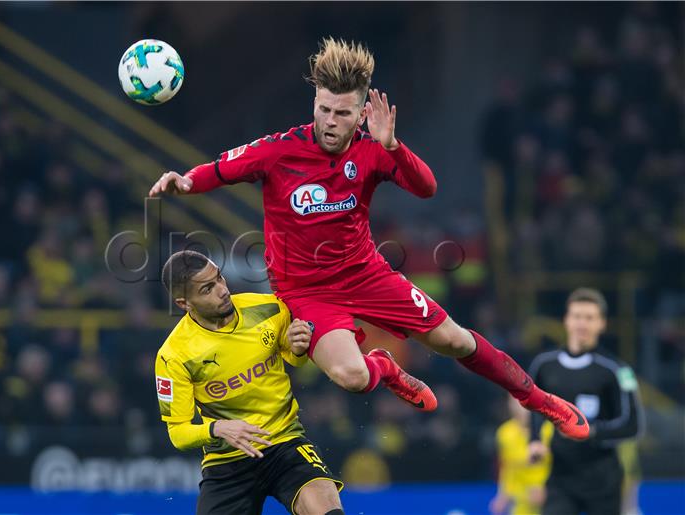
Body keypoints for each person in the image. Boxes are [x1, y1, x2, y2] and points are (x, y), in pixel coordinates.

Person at [149, 37, 588, 440]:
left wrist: (394, 146)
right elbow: (220, 169)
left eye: (342, 113)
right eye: (324, 109)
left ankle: (540, 401)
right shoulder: (278, 150)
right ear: (314, 103)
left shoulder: (373, 148)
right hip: (306, 293)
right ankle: (384, 368)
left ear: (361, 113)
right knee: (353, 377)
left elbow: (426, 188)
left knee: (455, 341)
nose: (330, 121)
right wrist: (186, 182)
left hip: (366, 274)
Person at [154, 250, 344, 515]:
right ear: (184, 304)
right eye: (208, 288)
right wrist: (218, 428)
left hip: (285, 443)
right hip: (226, 462)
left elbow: (293, 359)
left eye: (219, 278)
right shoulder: (174, 355)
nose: (222, 290)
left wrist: (298, 348)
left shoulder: (268, 308)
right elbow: (178, 433)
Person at [528, 288, 644, 515]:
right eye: (577, 316)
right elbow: (533, 407)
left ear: (602, 324)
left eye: (590, 318)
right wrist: (534, 440)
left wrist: (588, 431)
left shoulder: (617, 371)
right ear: (566, 320)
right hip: (560, 478)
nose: (582, 324)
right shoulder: (544, 365)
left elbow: (632, 425)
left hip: (603, 479)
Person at [489, 395, 553, 515]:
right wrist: (503, 495)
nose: (522, 408)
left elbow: (561, 468)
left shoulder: (550, 430)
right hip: (521, 502)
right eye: (516, 402)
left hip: (551, 500)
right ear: (509, 405)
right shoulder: (504, 433)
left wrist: (548, 489)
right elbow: (507, 468)